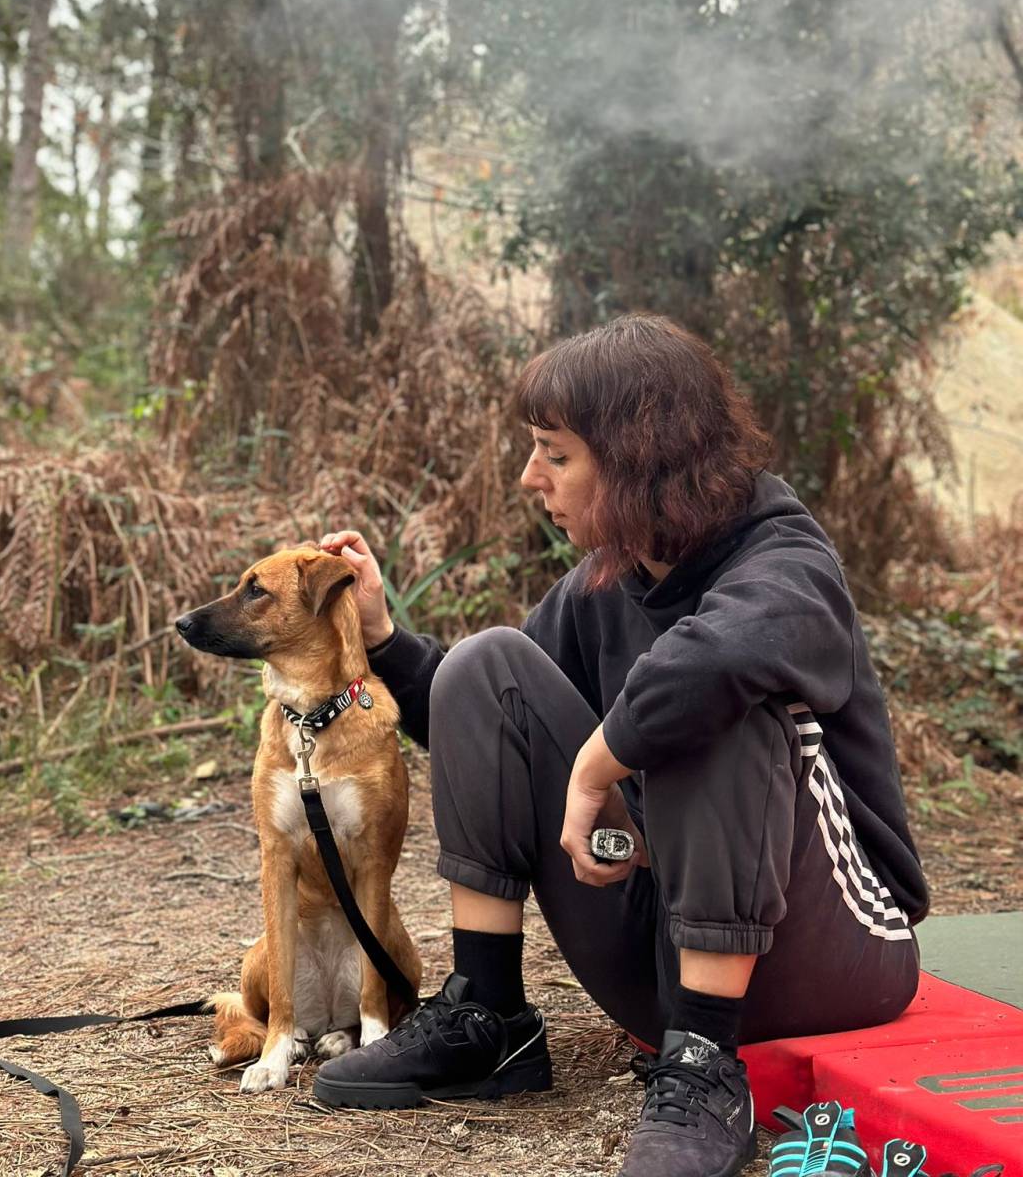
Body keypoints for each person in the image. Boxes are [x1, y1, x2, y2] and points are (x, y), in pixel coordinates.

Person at [312, 313, 927, 1177]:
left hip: (832, 957)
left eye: (555, 455)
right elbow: (492, 723)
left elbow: (715, 664)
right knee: (489, 664)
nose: (531, 478)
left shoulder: (787, 560)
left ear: (641, 456)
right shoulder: (609, 578)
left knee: (714, 701)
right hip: (661, 948)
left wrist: (601, 760)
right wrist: (382, 639)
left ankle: (708, 1068)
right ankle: (490, 1017)